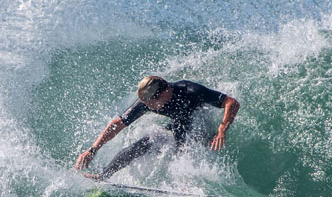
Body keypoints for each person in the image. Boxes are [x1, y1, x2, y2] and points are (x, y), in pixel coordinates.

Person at [75, 75, 240, 181]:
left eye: (152, 103)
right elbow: (117, 124)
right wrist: (92, 150)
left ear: (165, 92)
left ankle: (188, 186)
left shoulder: (191, 90)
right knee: (144, 143)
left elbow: (231, 102)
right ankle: (103, 176)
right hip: (178, 125)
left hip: (200, 126)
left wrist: (221, 130)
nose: (149, 107)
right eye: (146, 103)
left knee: (184, 140)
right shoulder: (148, 101)